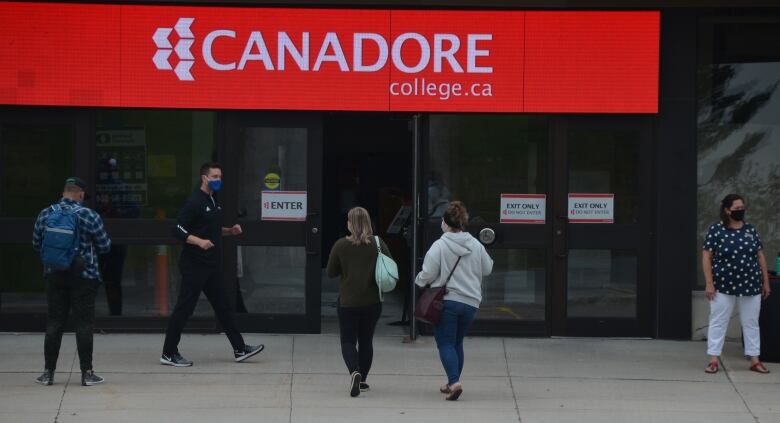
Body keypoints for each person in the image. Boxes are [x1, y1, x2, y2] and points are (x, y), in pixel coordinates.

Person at [160, 162, 264, 367]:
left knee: (224, 307)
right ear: (204, 178)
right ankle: (168, 353)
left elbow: (210, 229)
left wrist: (229, 231)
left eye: (220, 177)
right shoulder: (195, 202)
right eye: (215, 177)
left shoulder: (212, 200)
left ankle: (240, 348)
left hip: (211, 266)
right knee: (184, 309)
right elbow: (177, 229)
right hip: (194, 265)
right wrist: (199, 242)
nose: (218, 180)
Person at [32, 177, 112, 386]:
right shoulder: (88, 215)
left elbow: (36, 243)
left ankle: (48, 373)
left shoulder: (45, 213)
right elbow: (105, 245)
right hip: (84, 277)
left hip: (54, 275)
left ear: (64, 191)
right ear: (81, 194)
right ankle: (87, 373)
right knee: (84, 324)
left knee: (55, 322)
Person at [415, 201, 493, 401]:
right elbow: (488, 268)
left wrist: (419, 281)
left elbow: (428, 272)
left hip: (448, 301)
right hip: (471, 303)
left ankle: (454, 381)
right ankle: (452, 382)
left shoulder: (440, 245)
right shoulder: (475, 244)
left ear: (445, 222)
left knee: (445, 343)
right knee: (457, 342)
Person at [702, 194, 771, 374]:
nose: (741, 211)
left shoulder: (750, 230)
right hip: (723, 285)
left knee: (751, 322)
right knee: (718, 321)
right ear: (727, 210)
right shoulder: (716, 230)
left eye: (742, 208)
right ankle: (713, 359)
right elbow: (706, 257)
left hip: (751, 284)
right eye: (737, 208)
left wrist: (765, 281)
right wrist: (709, 283)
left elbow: (760, 255)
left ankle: (755, 359)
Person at [327, 207, 391, 397]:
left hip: (348, 302)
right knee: (366, 341)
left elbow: (331, 272)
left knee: (348, 340)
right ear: (368, 223)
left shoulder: (340, 245)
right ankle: (362, 380)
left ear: (350, 223)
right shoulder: (378, 243)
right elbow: (390, 266)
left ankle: (354, 371)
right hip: (373, 302)